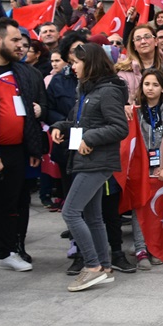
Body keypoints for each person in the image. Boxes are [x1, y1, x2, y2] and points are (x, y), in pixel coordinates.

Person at [49, 43, 129, 292]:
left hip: (97, 161)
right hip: (86, 159)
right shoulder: (87, 90)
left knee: (71, 212)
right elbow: (80, 121)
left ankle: (92, 266)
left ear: (90, 63)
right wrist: (62, 126)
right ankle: (104, 266)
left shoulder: (107, 91)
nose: (72, 67)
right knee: (93, 216)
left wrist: (90, 138)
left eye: (76, 62)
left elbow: (119, 127)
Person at [0, 18, 46, 272]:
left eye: (22, 42)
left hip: (18, 151)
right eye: (15, 40)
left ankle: (7, 251)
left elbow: (38, 110)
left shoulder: (27, 74)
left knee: (10, 203)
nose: (21, 46)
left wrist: (34, 149)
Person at [127, 68, 163, 269]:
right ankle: (141, 248)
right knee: (140, 208)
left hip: (162, 168)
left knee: (160, 207)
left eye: (155, 85)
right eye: (147, 84)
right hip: (138, 169)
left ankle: (156, 246)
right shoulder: (133, 108)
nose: (150, 89)